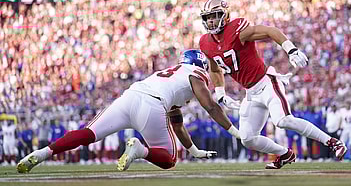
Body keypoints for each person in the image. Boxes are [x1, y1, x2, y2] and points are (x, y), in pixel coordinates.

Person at [17, 49, 240, 173]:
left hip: (131, 95)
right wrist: (235, 131)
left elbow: (177, 121)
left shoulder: (170, 73)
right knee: (169, 159)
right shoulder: (196, 74)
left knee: (88, 134)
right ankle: (140, 151)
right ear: (200, 64)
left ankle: (41, 153)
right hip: (152, 105)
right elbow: (210, 106)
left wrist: (193, 150)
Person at [198, 0, 347, 169]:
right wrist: (221, 94)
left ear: (225, 16)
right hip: (251, 93)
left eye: (215, 15)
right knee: (247, 138)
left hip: (267, 82)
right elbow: (215, 69)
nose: (211, 20)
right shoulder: (205, 43)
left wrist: (291, 49)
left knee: (283, 120)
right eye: (208, 17)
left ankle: (332, 142)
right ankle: (285, 154)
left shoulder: (237, 30)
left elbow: (269, 31)